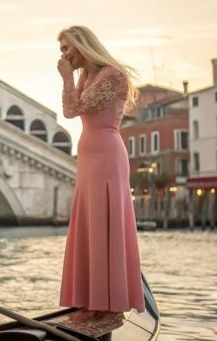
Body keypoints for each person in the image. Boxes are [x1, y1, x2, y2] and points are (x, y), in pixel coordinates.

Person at [57, 25, 145, 313]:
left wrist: (67, 77)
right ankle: (90, 297)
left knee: (104, 219)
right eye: (62, 50)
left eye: (68, 47)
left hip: (107, 155)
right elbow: (72, 110)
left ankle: (109, 299)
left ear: (83, 45)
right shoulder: (88, 77)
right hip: (88, 157)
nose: (65, 54)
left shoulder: (112, 75)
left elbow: (73, 109)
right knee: (89, 220)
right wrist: (71, 78)